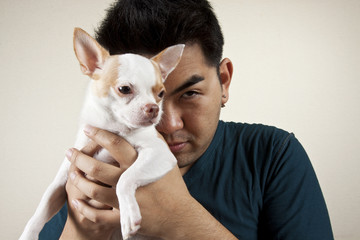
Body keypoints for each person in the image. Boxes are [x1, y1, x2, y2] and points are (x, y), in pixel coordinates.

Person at [40, 0, 334, 239]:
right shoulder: (96, 166)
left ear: (224, 81)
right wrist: (82, 230)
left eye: (190, 93)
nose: (167, 125)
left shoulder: (271, 154)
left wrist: (180, 218)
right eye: (127, 91)